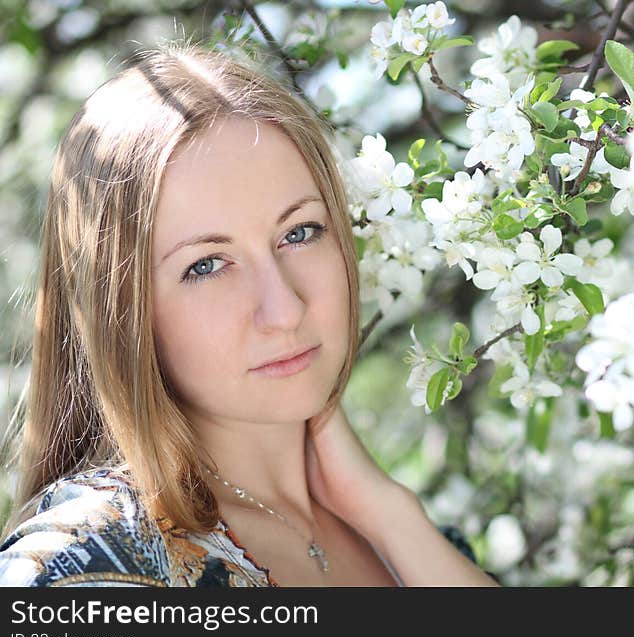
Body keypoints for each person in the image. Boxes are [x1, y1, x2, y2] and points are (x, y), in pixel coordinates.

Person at [0, 40, 500, 587]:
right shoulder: (88, 564)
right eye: (208, 265)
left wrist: (392, 517)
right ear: (124, 312)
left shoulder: (407, 546)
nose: (284, 310)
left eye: (300, 232)